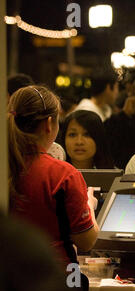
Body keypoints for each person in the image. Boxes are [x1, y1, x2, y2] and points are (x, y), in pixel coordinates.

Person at [7, 85, 99, 270]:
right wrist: (89, 205)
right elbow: (86, 241)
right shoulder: (63, 174)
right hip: (55, 277)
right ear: (49, 124)